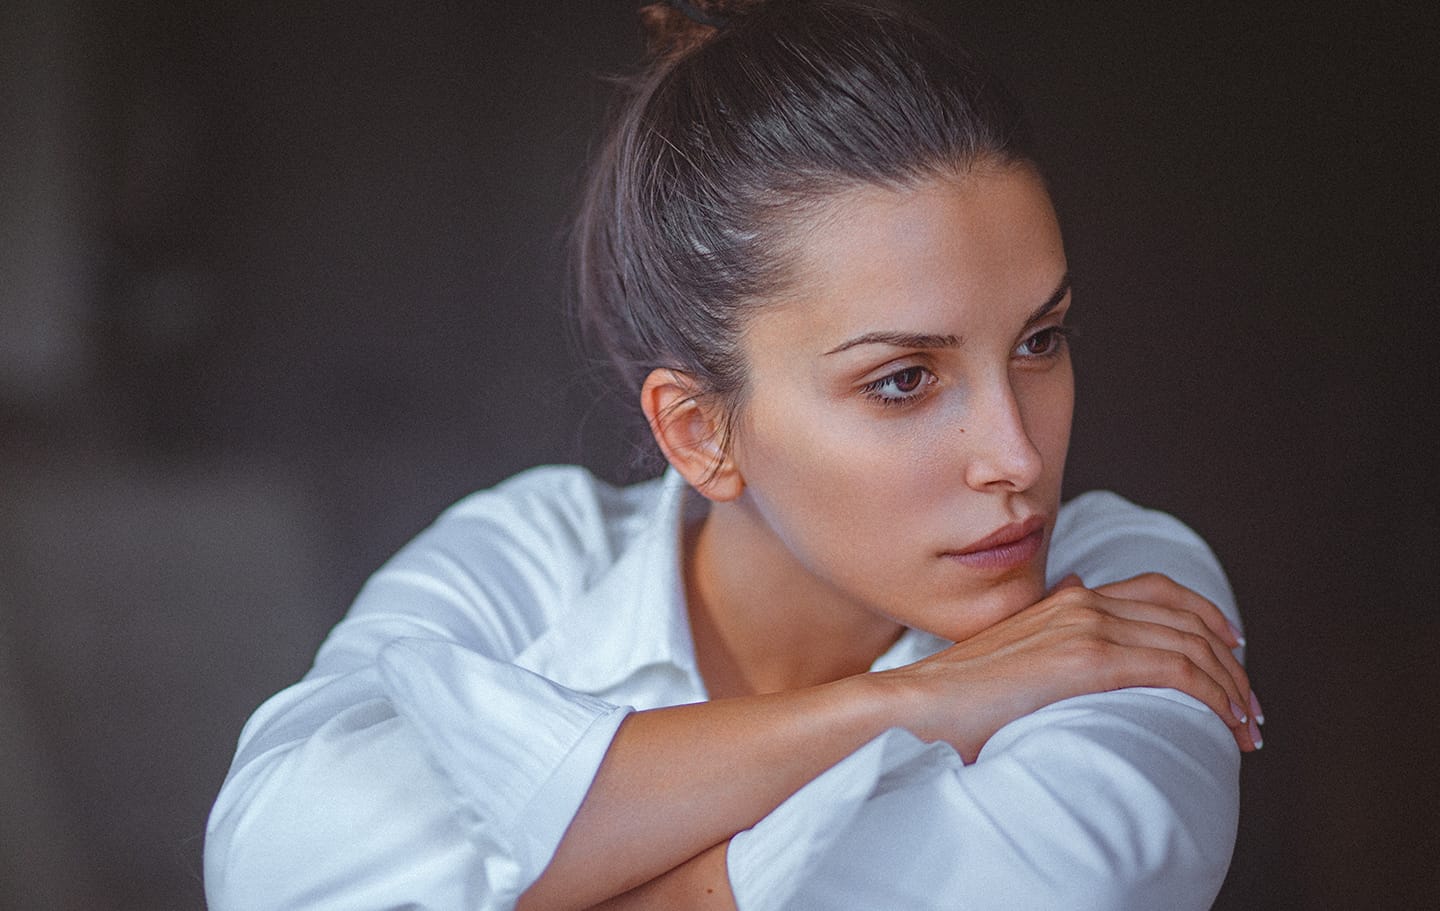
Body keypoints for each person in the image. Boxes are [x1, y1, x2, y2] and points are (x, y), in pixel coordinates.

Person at [205, 1, 1262, 908]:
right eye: (904, 379)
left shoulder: (1128, 590)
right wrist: (908, 703)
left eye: (1039, 340)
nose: (1016, 455)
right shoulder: (531, 559)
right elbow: (277, 861)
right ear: (700, 432)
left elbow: (1052, 883)